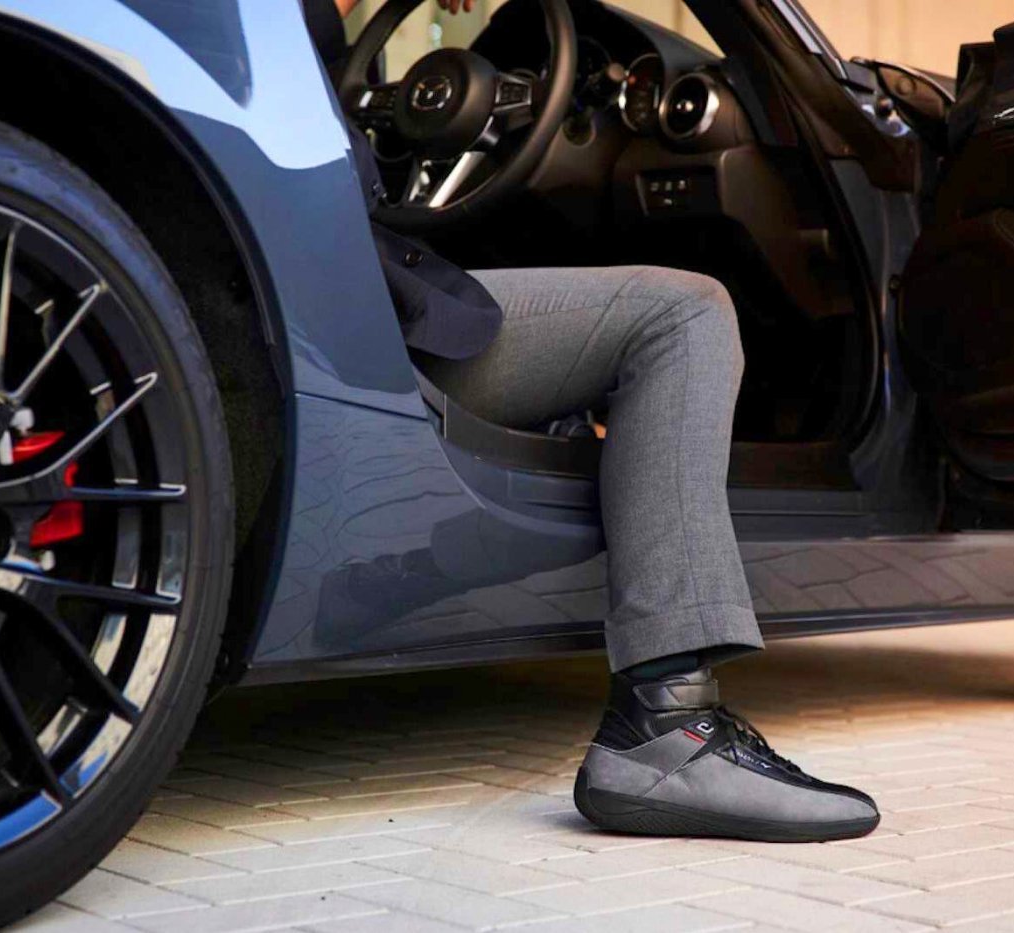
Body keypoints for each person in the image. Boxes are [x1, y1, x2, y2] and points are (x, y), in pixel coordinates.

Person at [304, 0, 879, 841]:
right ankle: (669, 725)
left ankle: (392, 575)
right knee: (685, 315)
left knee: (572, 426)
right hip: (359, 306)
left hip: (323, 297)